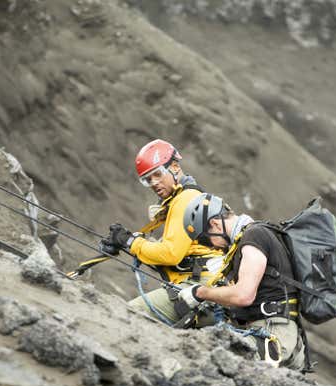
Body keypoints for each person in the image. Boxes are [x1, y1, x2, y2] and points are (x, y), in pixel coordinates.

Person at [177, 193, 306, 370]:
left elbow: (244, 295)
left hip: (272, 332)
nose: (211, 247)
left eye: (205, 240)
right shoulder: (251, 237)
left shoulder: (254, 236)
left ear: (214, 224)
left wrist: (200, 292)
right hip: (275, 330)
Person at [99, 139, 222, 325]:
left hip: (198, 287)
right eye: (148, 180)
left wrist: (130, 242)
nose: (154, 183)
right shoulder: (189, 197)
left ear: (174, 167)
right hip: (206, 286)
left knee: (126, 315)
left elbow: (170, 254)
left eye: (157, 174)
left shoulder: (185, 199)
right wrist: (132, 242)